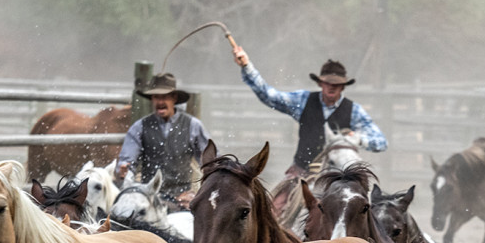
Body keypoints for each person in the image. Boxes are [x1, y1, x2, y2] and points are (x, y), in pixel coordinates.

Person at [231, 45, 387, 211]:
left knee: (365, 212)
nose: (331, 86)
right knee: (274, 210)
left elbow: (381, 142)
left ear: (343, 87)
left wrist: (359, 139)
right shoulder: (304, 100)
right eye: (327, 83)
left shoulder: (354, 111)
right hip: (301, 173)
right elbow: (269, 96)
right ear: (320, 83)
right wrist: (247, 66)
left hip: (340, 179)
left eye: (336, 84)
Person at [115, 72, 208, 210]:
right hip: (148, 199)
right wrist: (123, 170)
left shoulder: (193, 126)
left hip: (182, 199)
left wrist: (198, 195)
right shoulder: (140, 127)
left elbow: (211, 164)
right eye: (156, 97)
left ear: (174, 98)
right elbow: (126, 163)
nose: (160, 102)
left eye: (164, 97)